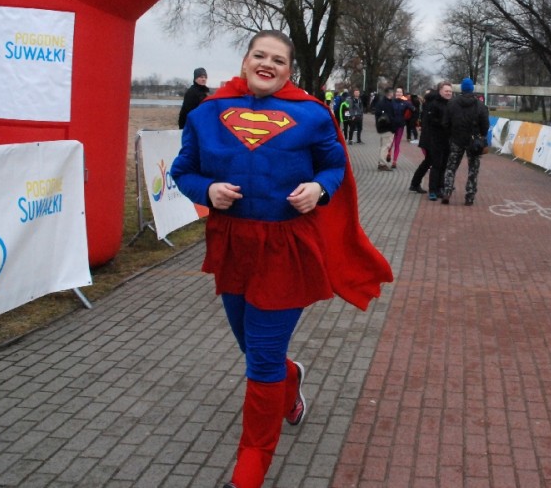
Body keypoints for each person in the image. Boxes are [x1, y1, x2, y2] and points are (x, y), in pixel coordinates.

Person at [171, 30, 392, 488]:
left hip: (286, 248)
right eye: (260, 55)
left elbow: (333, 166)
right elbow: (183, 170)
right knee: (252, 348)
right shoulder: (206, 112)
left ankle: (250, 468)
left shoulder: (312, 114)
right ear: (245, 60)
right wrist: (206, 190)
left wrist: (319, 188)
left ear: (289, 71)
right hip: (233, 246)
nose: (267, 64)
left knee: (262, 361)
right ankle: (291, 379)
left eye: (278, 60)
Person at [440, 78, 490, 206]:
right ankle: (470, 196)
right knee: (473, 169)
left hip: (456, 140)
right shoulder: (480, 105)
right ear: (472, 89)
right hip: (474, 142)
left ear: (462, 89)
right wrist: (481, 135)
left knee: (451, 167)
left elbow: (445, 123)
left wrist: (451, 134)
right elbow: (485, 125)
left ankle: (447, 192)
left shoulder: (452, 103)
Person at [409, 81, 452, 198]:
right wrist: (445, 124)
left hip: (439, 137)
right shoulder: (434, 103)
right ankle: (434, 188)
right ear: (440, 91)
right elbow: (431, 120)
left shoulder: (448, 103)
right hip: (432, 138)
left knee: (429, 161)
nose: (448, 93)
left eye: (450, 91)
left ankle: (416, 183)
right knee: (435, 163)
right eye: (446, 91)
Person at [372, 88, 400, 170]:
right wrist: (393, 126)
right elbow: (391, 117)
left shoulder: (381, 103)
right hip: (387, 128)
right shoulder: (388, 104)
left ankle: (381, 162)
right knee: (386, 146)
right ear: (390, 94)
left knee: (383, 146)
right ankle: (382, 164)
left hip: (382, 127)